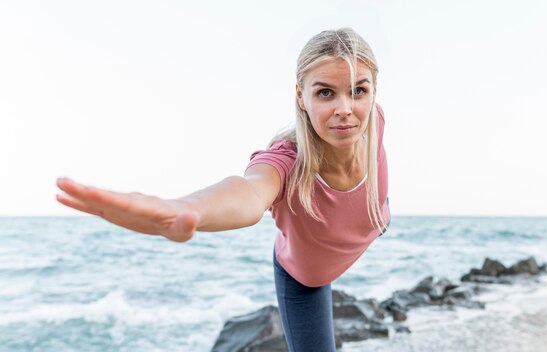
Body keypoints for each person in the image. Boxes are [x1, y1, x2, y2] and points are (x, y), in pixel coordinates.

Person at [56, 27, 390, 352]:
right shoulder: (286, 162)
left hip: (370, 222)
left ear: (374, 91)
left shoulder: (374, 120)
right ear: (301, 97)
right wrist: (186, 208)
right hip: (306, 278)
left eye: (358, 90)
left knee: (381, 214)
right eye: (326, 93)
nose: (345, 108)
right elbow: (247, 192)